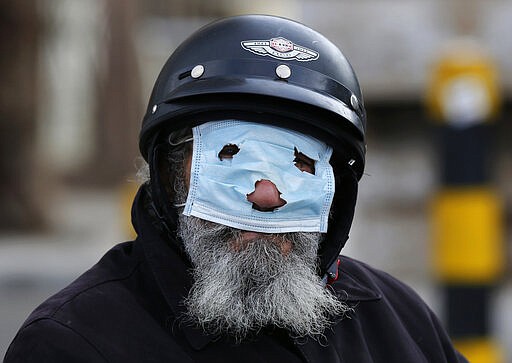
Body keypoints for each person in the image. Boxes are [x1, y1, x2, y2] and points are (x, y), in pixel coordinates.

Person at [4, 15, 467, 363]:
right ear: (170, 174)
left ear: (336, 188)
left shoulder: (397, 321)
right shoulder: (74, 343)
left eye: (300, 163)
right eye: (229, 156)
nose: (266, 197)